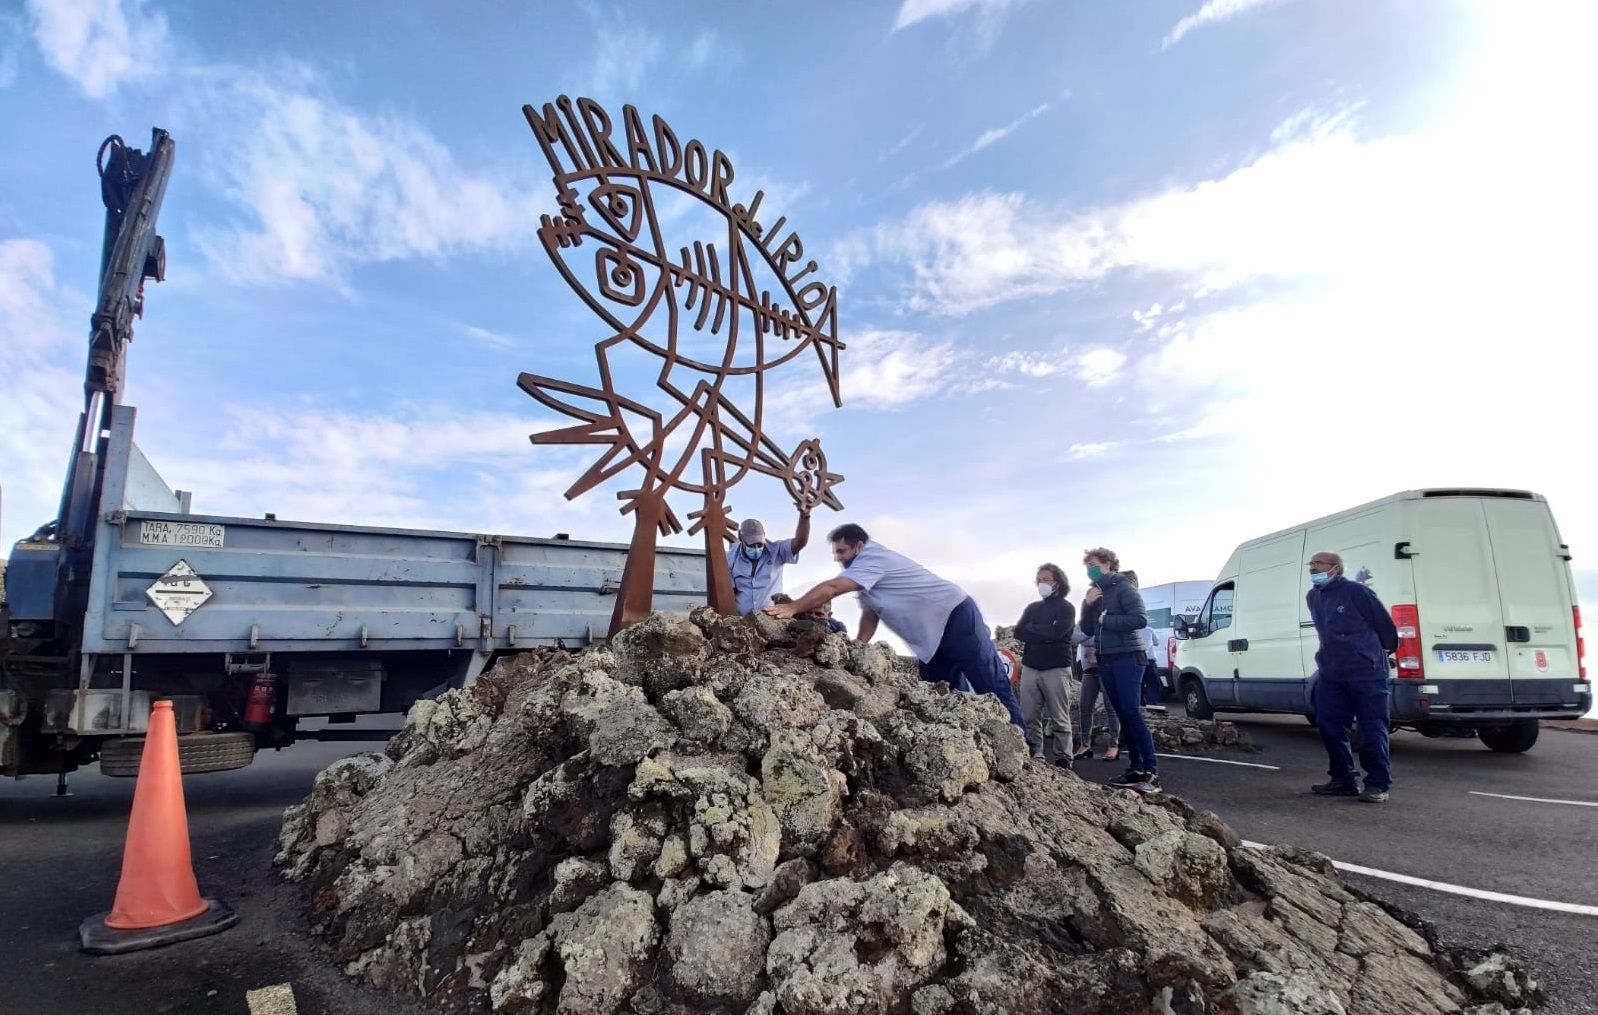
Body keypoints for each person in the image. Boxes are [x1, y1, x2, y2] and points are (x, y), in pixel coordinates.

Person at [764, 523, 1038, 751]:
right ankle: (969, 748)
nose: (839, 558)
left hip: (955, 617)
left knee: (989, 681)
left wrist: (793, 607)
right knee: (940, 695)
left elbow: (833, 587)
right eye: (836, 553)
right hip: (932, 638)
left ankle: (1022, 746)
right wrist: (860, 644)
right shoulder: (864, 573)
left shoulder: (873, 559)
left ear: (858, 547)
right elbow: (871, 613)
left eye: (843, 551)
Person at [1306, 550, 1399, 803]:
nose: (1313, 568)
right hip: (1332, 672)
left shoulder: (1357, 592)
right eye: (1311, 565)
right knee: (1328, 725)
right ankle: (1343, 779)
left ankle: (1378, 784)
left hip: (1366, 672)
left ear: (1335, 567)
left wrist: (1379, 654)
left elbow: (1385, 625)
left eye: (1318, 564)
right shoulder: (1313, 596)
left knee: (1372, 728)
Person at [1079, 548, 1158, 791]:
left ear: (1108, 564)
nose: (1089, 569)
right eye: (1087, 566)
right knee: (1123, 713)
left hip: (1128, 657)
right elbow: (1088, 629)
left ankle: (1149, 771)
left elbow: (1139, 619)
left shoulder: (1124, 587)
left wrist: (1107, 620)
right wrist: (1087, 604)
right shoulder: (1097, 593)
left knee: (1131, 712)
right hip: (1106, 659)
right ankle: (1135, 769)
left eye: (1093, 564)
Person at [1013, 564, 1077, 766]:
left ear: (1057, 582)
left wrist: (1035, 631)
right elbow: (1019, 632)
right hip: (1031, 668)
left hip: (1056, 669)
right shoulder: (1032, 608)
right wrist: (1045, 632)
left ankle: (1064, 756)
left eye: (1046, 579)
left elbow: (1058, 632)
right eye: (1039, 580)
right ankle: (1035, 752)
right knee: (1030, 715)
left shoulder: (1067, 608)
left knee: (1059, 716)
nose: (1042, 583)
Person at [728, 510, 811, 616]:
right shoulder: (730, 558)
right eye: (751, 545)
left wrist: (805, 516)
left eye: (759, 544)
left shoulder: (777, 550)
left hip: (772, 619)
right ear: (741, 538)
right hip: (743, 621)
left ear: (764, 536)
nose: (756, 548)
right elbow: (729, 593)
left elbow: (800, 542)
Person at [1073, 633, 1119, 762]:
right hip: (1088, 670)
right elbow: (1074, 637)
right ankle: (1085, 745)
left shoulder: (1107, 618)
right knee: (1084, 708)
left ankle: (1114, 745)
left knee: (1111, 709)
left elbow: (1106, 638)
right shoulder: (1084, 622)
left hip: (1106, 669)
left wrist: (1086, 639)